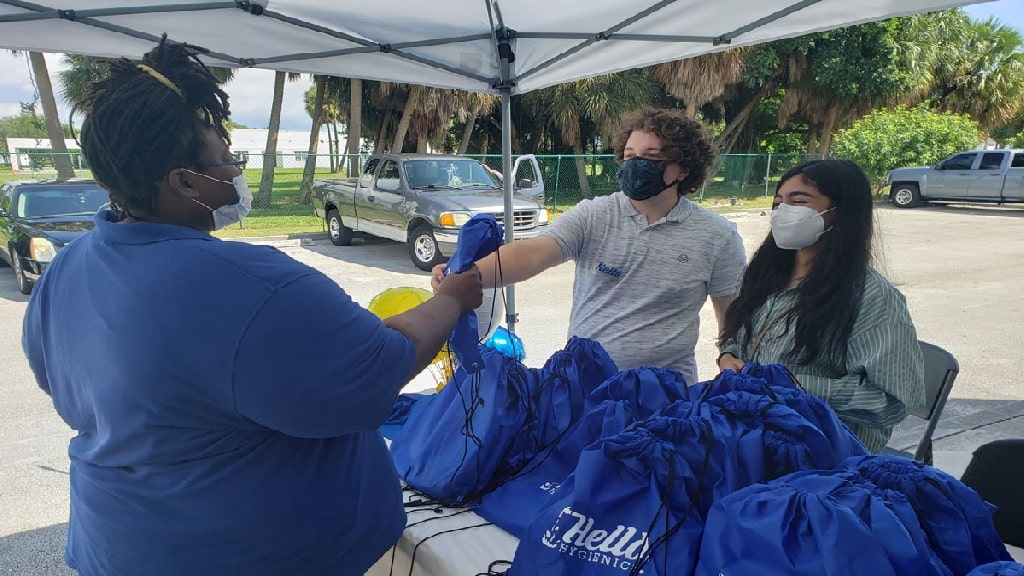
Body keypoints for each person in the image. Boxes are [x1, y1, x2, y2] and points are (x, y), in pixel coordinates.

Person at [20, 37, 482, 576]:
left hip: (117, 543)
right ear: (184, 182)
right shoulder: (247, 285)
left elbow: (65, 385)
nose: (234, 170)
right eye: (224, 159)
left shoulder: (68, 268)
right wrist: (451, 300)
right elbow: (379, 367)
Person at [433, 107, 746, 385]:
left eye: (651, 157)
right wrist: (465, 276)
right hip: (584, 388)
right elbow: (533, 253)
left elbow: (733, 314)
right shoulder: (595, 214)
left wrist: (728, 355)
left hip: (665, 396)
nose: (636, 164)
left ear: (684, 168)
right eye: (630, 155)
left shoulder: (718, 236)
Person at [717, 159, 924, 453]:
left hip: (822, 453)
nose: (783, 212)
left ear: (839, 212)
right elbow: (735, 335)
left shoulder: (870, 296)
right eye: (778, 203)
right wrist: (728, 357)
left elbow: (890, 402)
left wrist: (794, 386)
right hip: (754, 433)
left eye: (799, 201)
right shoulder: (765, 275)